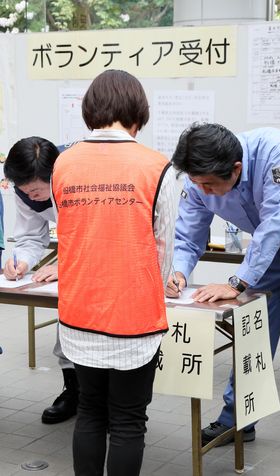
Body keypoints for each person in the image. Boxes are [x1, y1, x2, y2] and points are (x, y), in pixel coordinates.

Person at [166, 123, 280, 471]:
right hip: (274, 247)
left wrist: (237, 283)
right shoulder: (199, 179)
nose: (201, 190)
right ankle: (236, 418)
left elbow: (274, 222)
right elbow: (190, 232)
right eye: (196, 182)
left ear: (236, 169)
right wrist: (178, 271)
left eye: (209, 184)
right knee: (253, 332)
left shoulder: (275, 152)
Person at [51, 69, 177, 476]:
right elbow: (163, 249)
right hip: (134, 318)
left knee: (90, 410)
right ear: (138, 111)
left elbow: (68, 233)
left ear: (90, 111)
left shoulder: (63, 164)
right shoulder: (158, 167)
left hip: (79, 312)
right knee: (127, 421)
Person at [3, 137, 79, 423]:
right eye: (23, 191)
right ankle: (73, 391)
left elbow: (98, 233)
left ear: (55, 175)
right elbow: (32, 235)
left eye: (35, 190)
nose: (30, 196)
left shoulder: (78, 180)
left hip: (103, 264)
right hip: (74, 268)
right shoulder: (27, 190)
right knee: (68, 323)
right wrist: (21, 260)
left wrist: (66, 265)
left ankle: (106, 404)